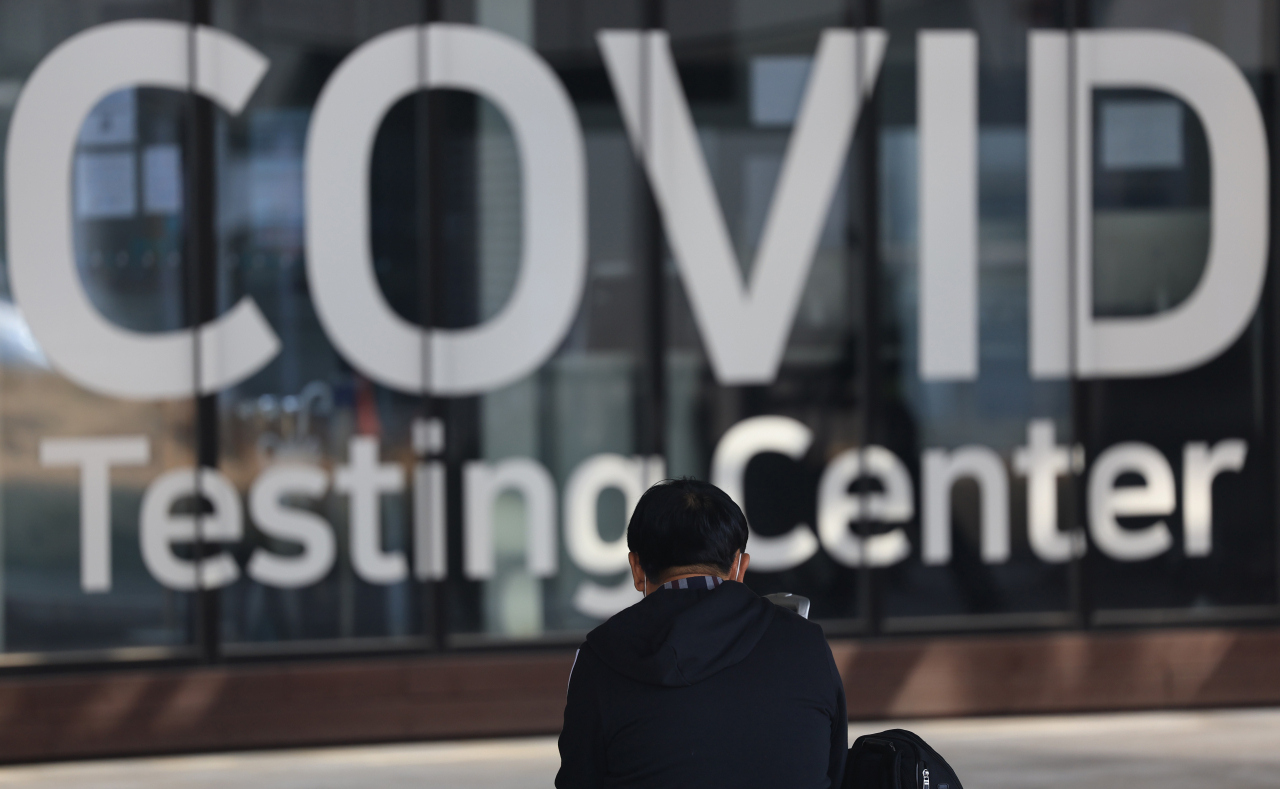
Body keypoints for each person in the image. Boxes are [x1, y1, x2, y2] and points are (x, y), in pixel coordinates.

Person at [556, 478, 848, 789]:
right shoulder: (805, 643)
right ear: (739, 566)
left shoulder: (601, 656)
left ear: (637, 567)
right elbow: (836, 769)